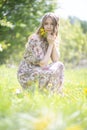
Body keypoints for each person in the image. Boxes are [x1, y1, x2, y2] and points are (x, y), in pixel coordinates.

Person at [17, 12, 64, 94]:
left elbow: (55, 60)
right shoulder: (36, 39)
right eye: (46, 23)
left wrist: (52, 43)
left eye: (52, 24)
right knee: (48, 71)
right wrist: (50, 45)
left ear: (56, 26)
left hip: (39, 70)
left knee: (59, 65)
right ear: (42, 25)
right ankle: (31, 91)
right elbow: (43, 64)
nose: (49, 26)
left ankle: (54, 93)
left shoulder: (51, 38)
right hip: (27, 73)